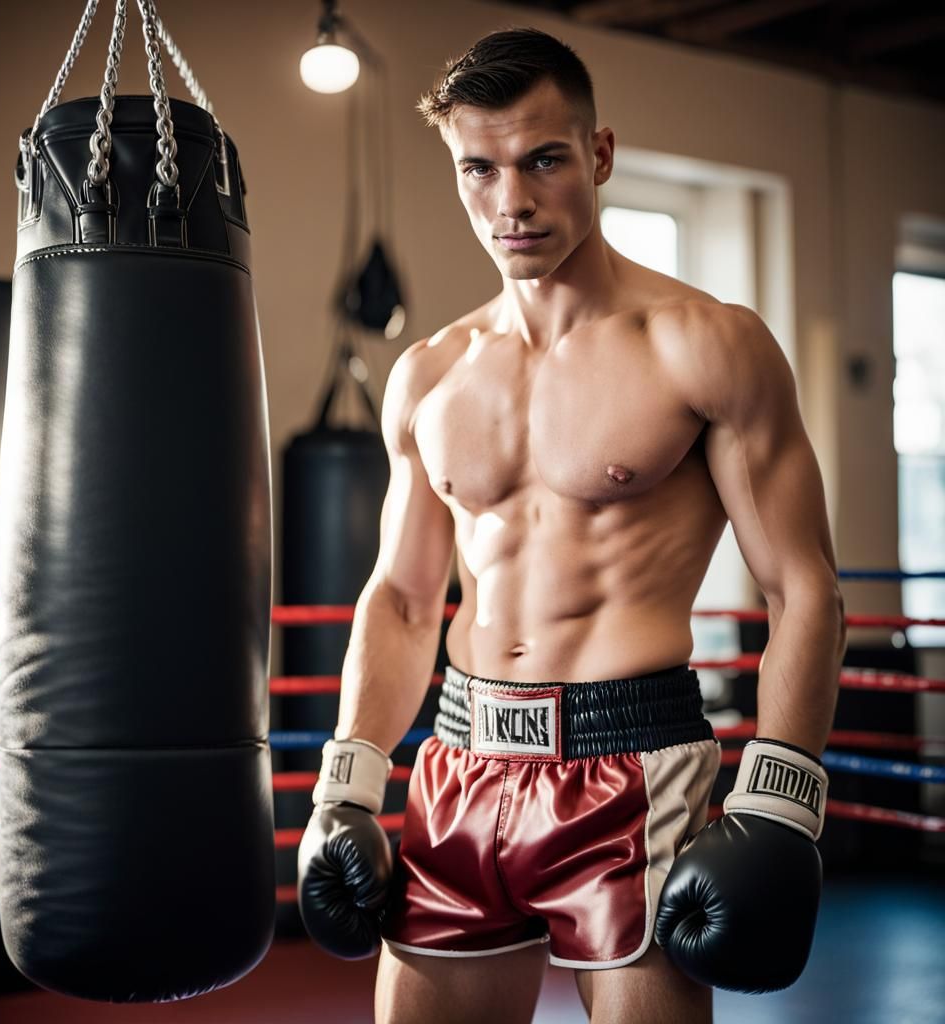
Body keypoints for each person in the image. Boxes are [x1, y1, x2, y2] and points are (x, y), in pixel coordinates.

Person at [297, 27, 846, 1024]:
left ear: (596, 154)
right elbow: (407, 594)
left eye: (542, 159)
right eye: (480, 167)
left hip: (630, 765)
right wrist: (348, 778)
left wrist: (779, 799)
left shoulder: (702, 346)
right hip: (459, 758)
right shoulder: (429, 374)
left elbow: (801, 587)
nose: (511, 199)